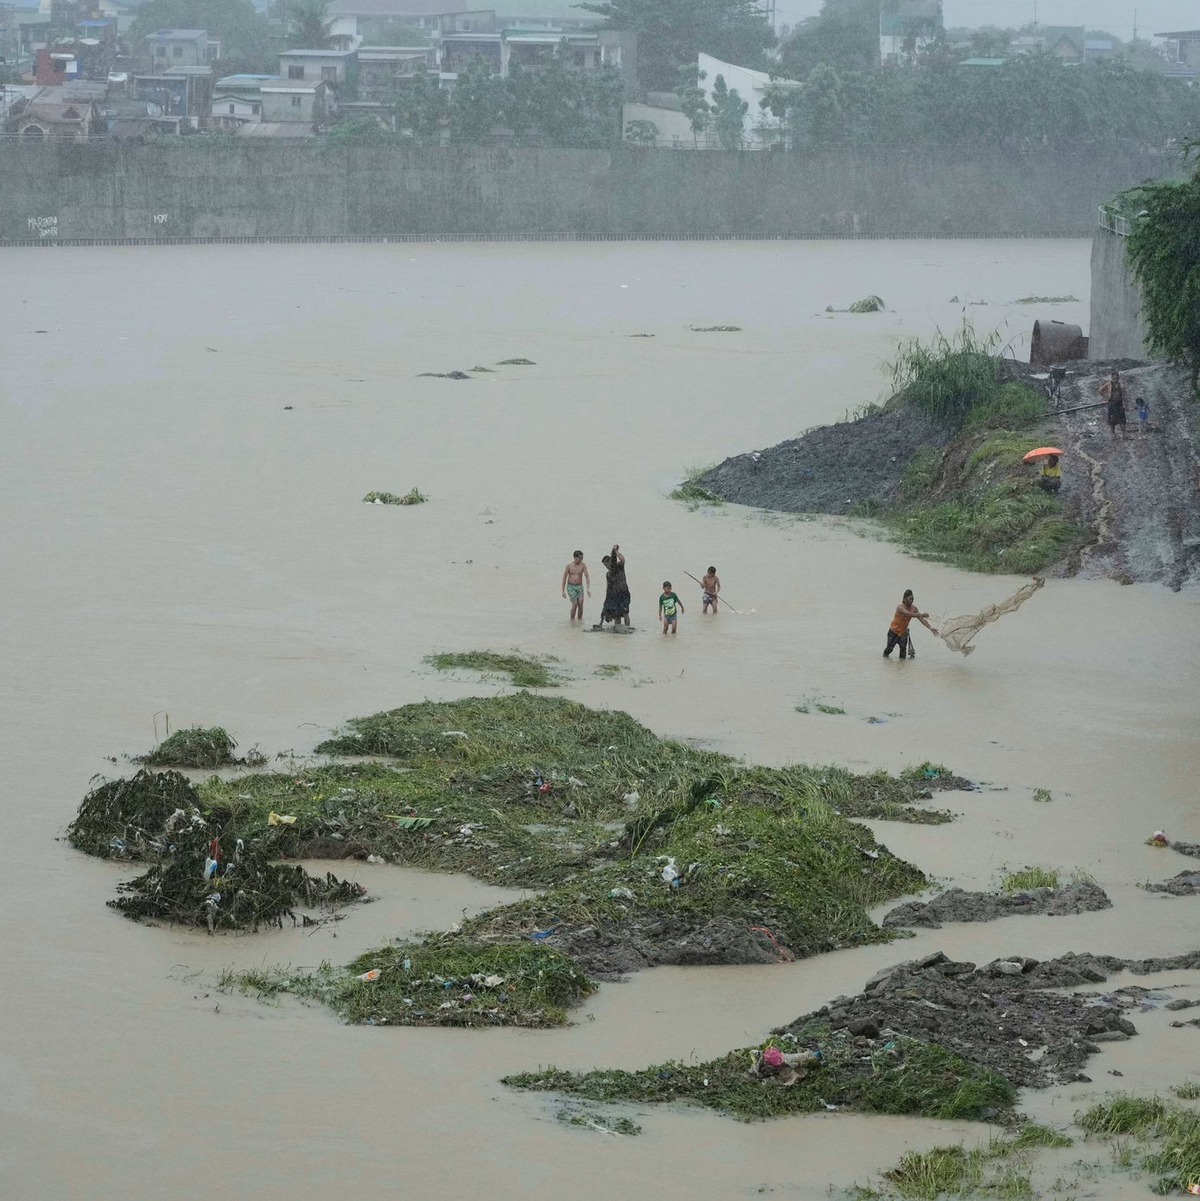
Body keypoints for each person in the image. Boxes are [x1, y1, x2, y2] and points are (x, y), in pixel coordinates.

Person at [884, 590, 938, 660]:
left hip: (903, 633)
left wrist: (930, 628)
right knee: (888, 650)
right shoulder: (900, 607)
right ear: (905, 599)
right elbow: (909, 614)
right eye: (910, 599)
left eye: (912, 599)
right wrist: (921, 614)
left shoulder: (914, 608)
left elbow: (922, 619)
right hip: (893, 632)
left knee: (903, 655)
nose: (911, 601)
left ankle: (901, 669)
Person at [600, 545, 631, 626]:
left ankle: (627, 628)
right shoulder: (608, 574)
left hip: (623, 592)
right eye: (604, 565)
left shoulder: (619, 566)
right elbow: (608, 588)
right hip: (614, 595)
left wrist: (616, 552)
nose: (606, 566)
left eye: (607, 564)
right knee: (616, 614)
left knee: (625, 613)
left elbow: (623, 560)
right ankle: (617, 633)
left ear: (610, 561)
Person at [560, 550, 590, 622]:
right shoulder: (569, 566)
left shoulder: (583, 565)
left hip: (579, 586)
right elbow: (564, 578)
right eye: (579, 558)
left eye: (582, 558)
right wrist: (563, 591)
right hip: (571, 587)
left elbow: (587, 576)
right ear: (575, 557)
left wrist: (588, 588)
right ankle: (572, 621)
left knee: (581, 603)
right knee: (575, 604)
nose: (581, 560)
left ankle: (580, 621)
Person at [1100, 370, 1126, 439]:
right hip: (1112, 403)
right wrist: (1105, 397)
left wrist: (1125, 404)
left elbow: (1124, 395)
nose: (1115, 379)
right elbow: (1100, 390)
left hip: (1120, 404)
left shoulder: (1121, 385)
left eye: (1117, 378)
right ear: (1112, 378)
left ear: (1118, 378)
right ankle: (1113, 434)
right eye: (1114, 378)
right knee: (1112, 420)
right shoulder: (1109, 384)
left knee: (1122, 420)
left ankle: (1124, 435)